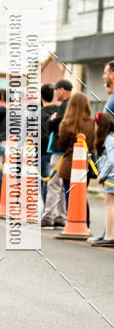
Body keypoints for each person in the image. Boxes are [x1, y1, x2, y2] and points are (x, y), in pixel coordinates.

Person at [57, 92, 94, 228]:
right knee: (82, 195)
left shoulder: (67, 124)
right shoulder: (93, 124)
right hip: (86, 165)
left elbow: (61, 145)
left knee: (70, 195)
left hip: (69, 164)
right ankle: (85, 224)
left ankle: (72, 222)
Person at [42, 79, 72, 229]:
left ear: (62, 90)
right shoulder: (67, 106)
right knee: (60, 185)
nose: (55, 93)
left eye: (56, 90)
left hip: (58, 150)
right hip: (62, 150)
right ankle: (61, 216)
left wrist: (51, 120)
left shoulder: (66, 107)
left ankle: (48, 216)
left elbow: (55, 124)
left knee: (53, 183)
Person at [92, 111, 114, 247]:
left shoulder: (109, 139)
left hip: (111, 177)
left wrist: (102, 175)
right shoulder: (110, 138)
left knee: (110, 205)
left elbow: (111, 160)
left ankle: (110, 236)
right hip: (111, 177)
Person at [40, 84, 57, 204]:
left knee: (45, 182)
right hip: (57, 151)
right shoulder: (59, 110)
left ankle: (47, 210)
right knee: (56, 184)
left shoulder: (39, 114)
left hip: (44, 152)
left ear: (40, 96)